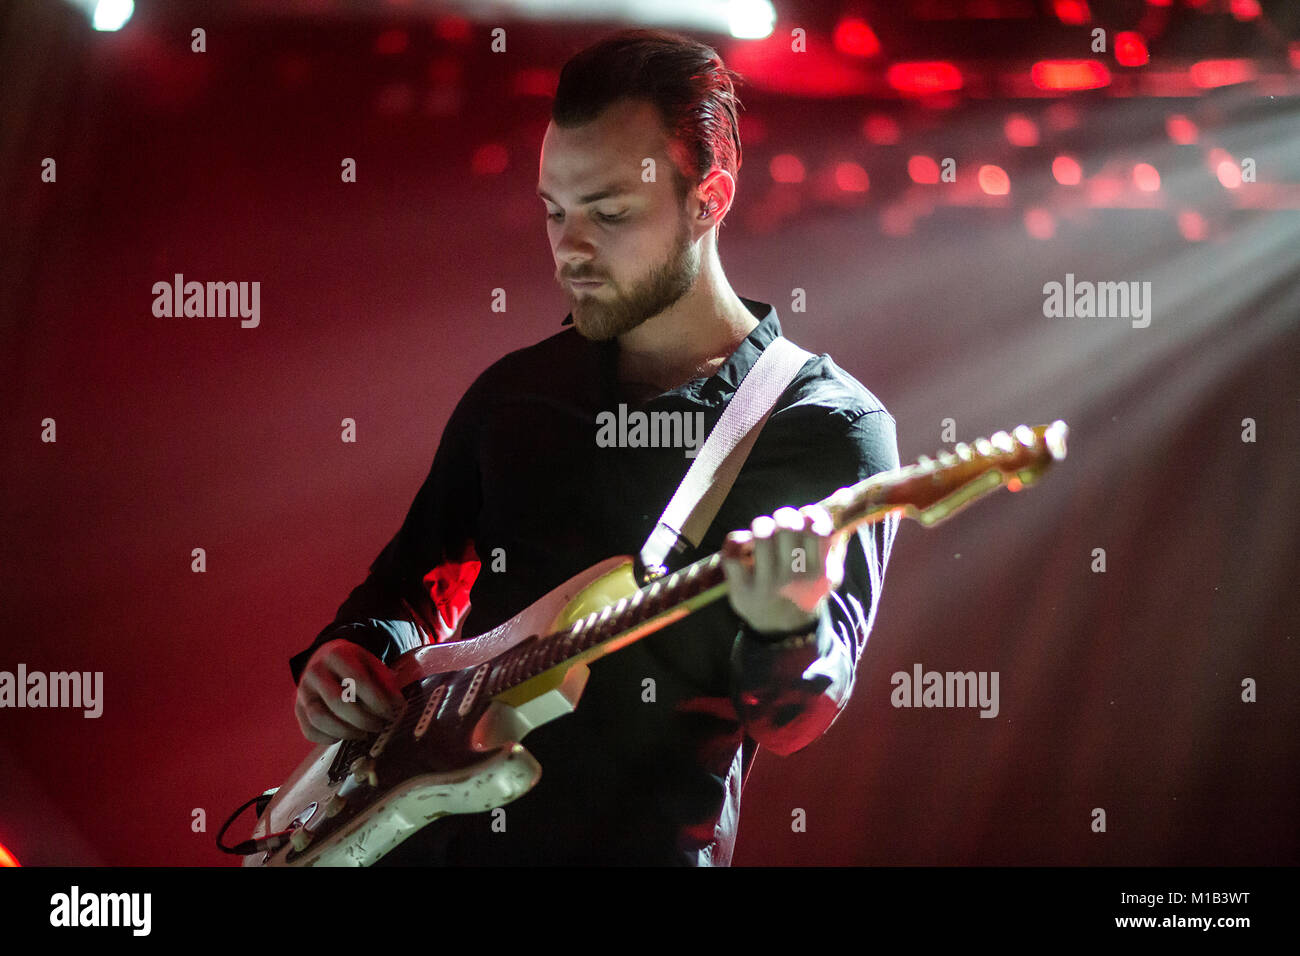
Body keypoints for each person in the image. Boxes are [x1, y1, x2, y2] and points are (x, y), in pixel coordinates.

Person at [288, 28, 900, 866]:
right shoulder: (516, 391)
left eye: (610, 214)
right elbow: (405, 589)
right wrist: (351, 652)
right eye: (555, 211)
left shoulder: (823, 427)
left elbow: (795, 720)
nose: (569, 249)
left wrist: (785, 627)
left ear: (709, 199)